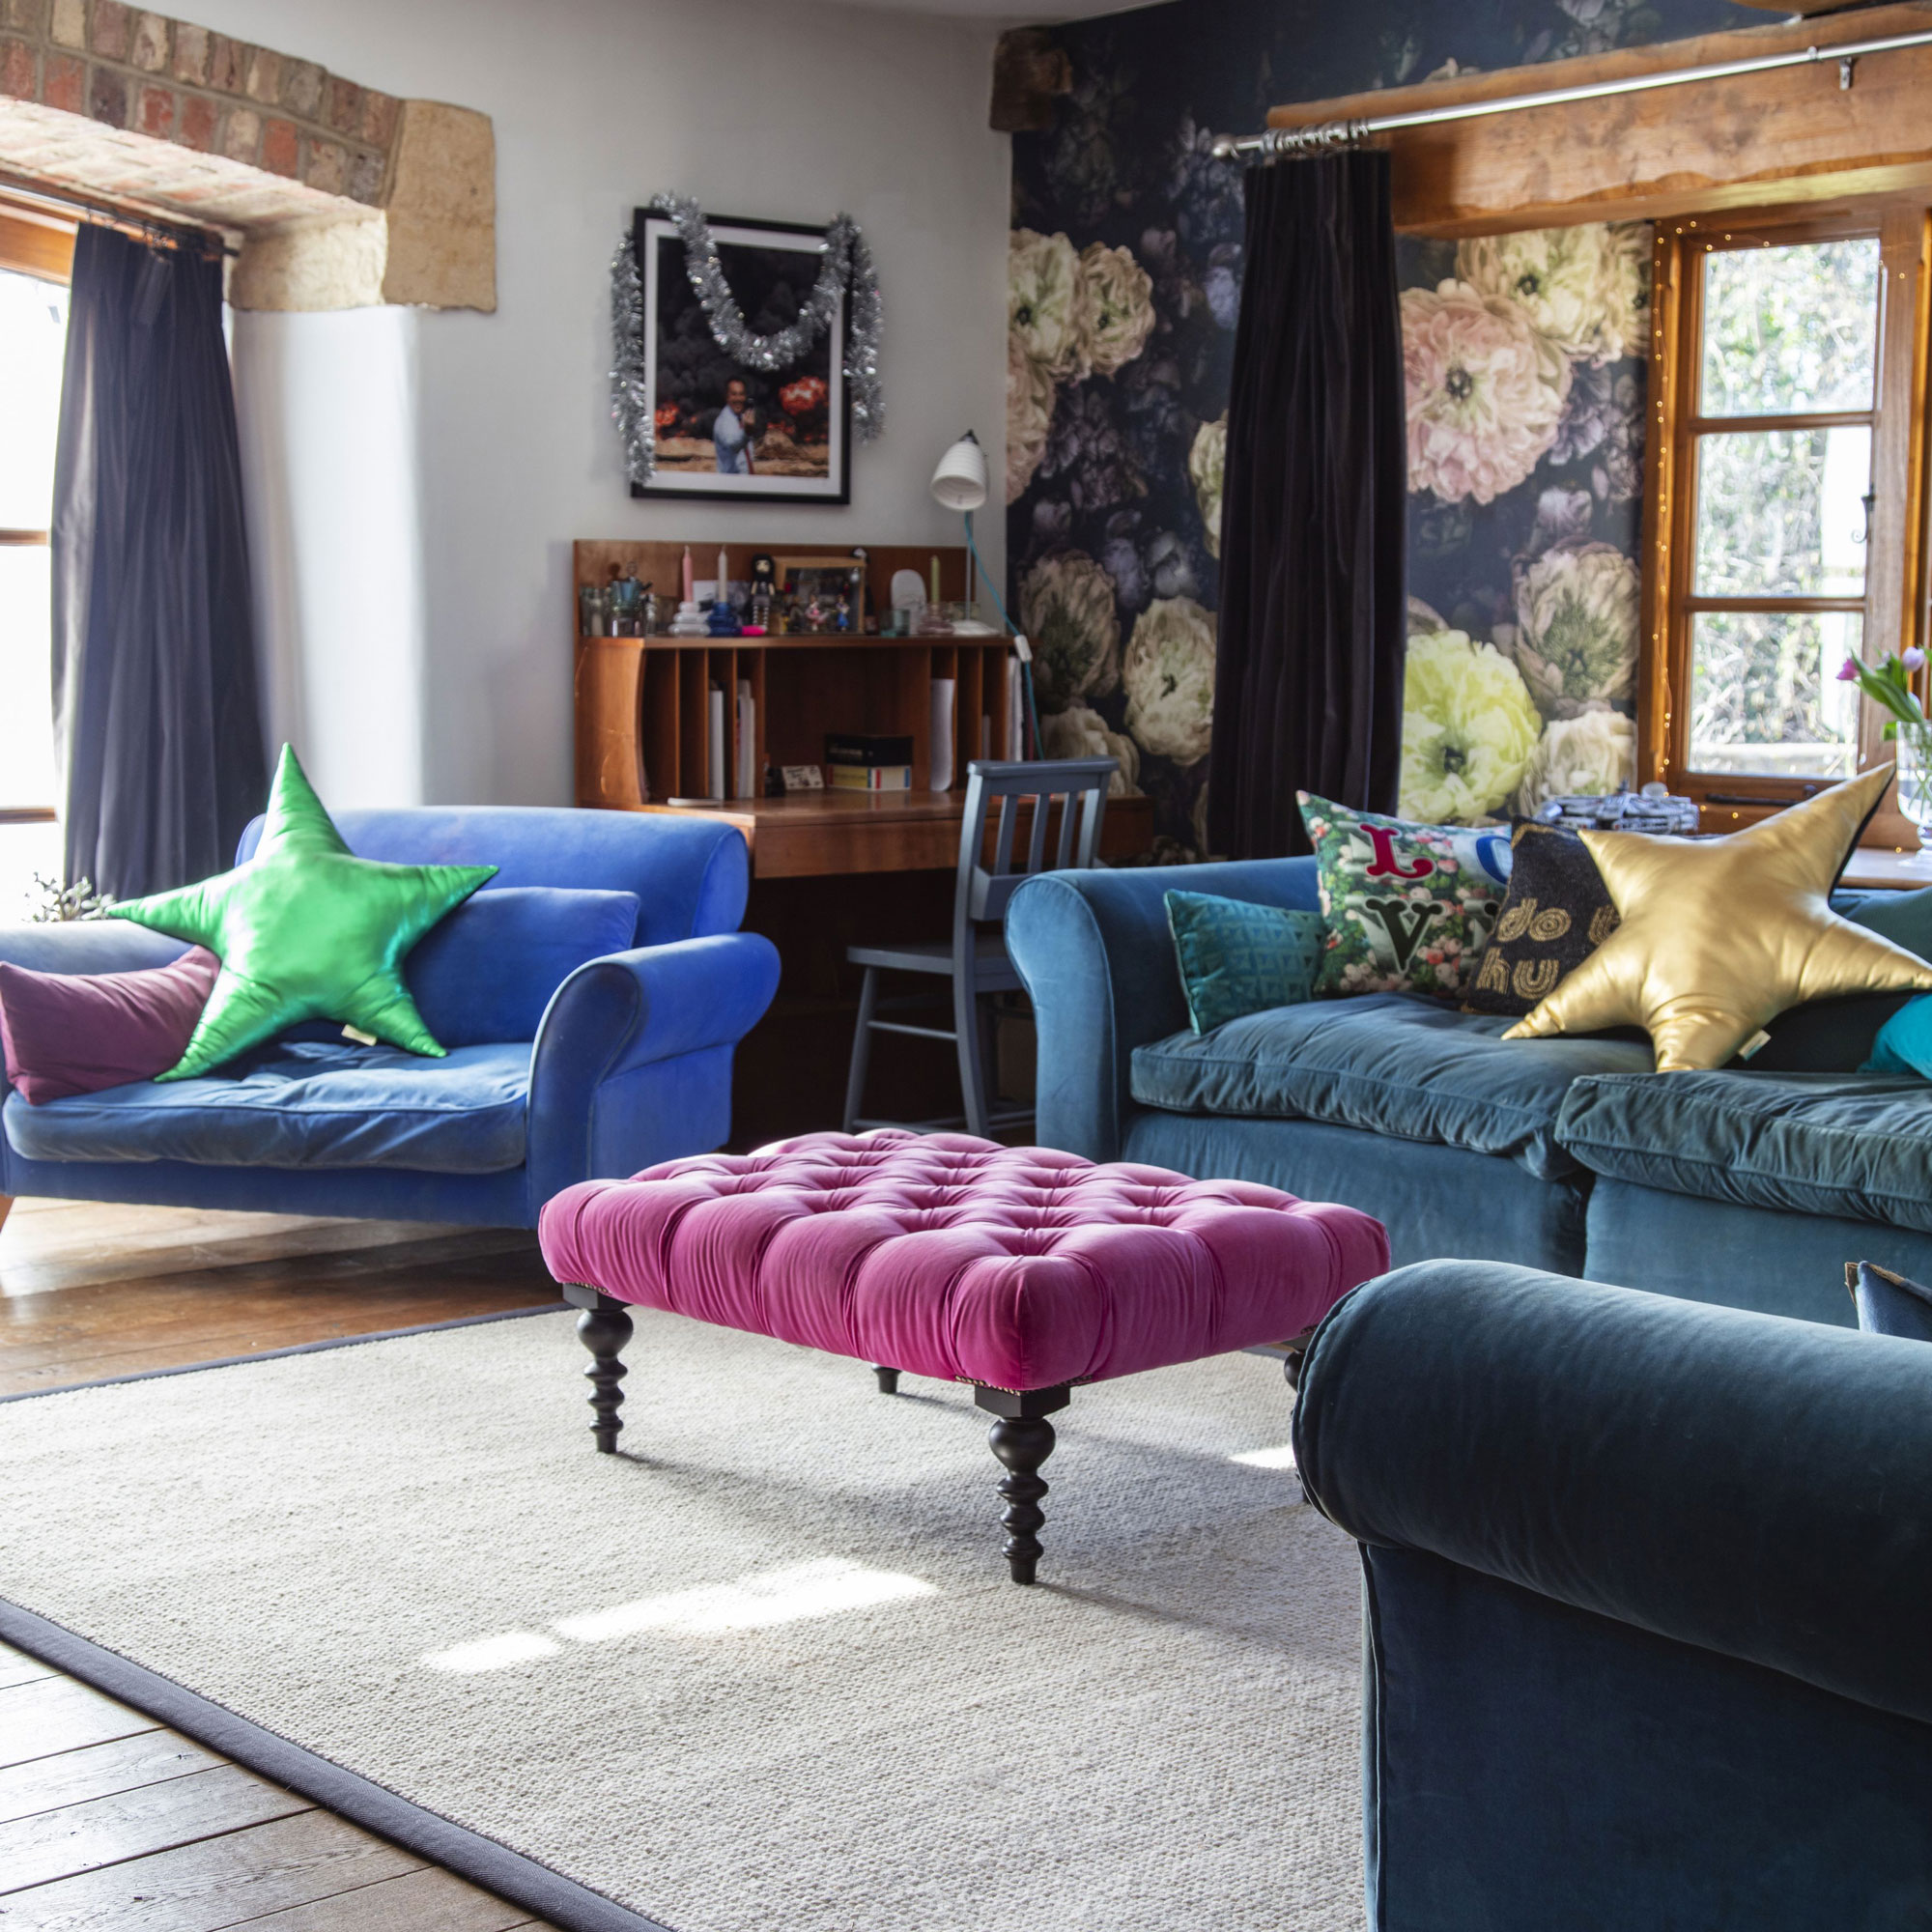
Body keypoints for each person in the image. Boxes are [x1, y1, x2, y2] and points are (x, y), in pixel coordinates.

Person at [713, 378, 756, 475]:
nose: (738, 399)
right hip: (730, 483)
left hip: (744, 481)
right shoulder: (723, 421)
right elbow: (733, 445)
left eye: (741, 394)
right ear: (727, 397)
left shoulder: (741, 418)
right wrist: (746, 432)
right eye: (734, 394)